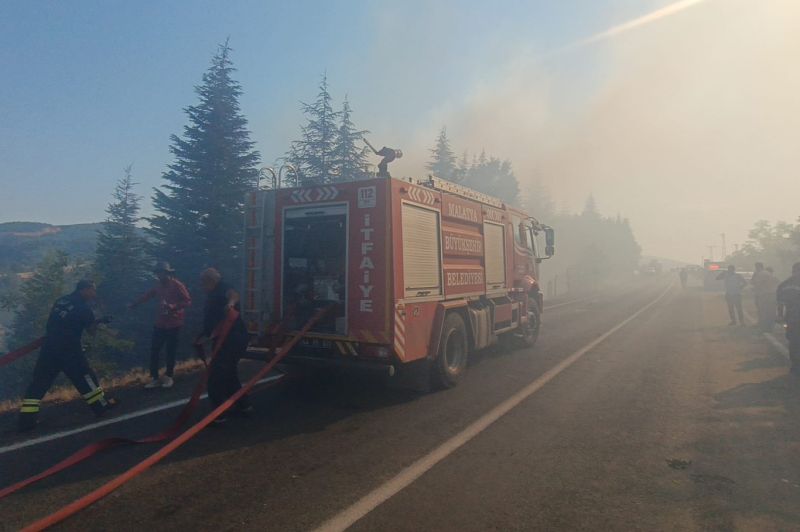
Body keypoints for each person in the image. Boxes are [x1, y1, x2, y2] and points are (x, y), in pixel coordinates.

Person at [18, 280, 117, 432]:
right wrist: (99, 321)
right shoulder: (84, 308)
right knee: (86, 378)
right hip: (69, 350)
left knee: (39, 383)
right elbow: (91, 332)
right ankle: (101, 406)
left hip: (49, 349)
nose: (94, 294)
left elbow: (59, 322)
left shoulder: (61, 300)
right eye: (93, 290)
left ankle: (26, 421)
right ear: (84, 290)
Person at [196, 268, 251, 422]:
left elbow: (234, 295)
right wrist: (204, 335)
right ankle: (244, 405)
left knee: (216, 377)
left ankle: (219, 415)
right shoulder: (213, 293)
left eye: (203, 282)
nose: (201, 286)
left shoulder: (224, 288)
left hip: (232, 339)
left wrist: (231, 304)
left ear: (211, 281)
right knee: (229, 374)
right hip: (226, 339)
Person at [129, 262, 191, 389]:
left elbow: (187, 301)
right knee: (155, 349)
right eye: (157, 273)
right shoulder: (158, 285)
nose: (159, 275)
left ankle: (169, 376)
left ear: (167, 273)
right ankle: (155, 377)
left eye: (161, 273)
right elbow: (148, 295)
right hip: (161, 322)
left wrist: (173, 307)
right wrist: (135, 304)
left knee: (170, 350)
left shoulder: (177, 285)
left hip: (174, 323)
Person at [777, 262, 800, 375]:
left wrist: (780, 316)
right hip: (793, 318)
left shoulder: (784, 284)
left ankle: (795, 366)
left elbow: (780, 303)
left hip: (791, 318)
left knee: (793, 342)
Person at [752, 264, 780, 331]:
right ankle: (769, 326)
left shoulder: (760, 274)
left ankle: (764, 326)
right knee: (770, 311)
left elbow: (756, 283)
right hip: (772, 295)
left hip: (764, 295)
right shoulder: (772, 277)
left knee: (764, 311)